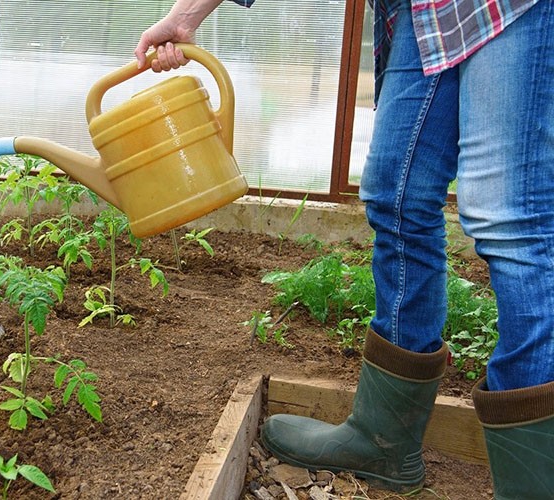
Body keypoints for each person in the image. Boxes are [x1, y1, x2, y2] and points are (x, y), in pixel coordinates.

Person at [135, 0, 554, 498]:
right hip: (423, 11)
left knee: (507, 219)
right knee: (397, 198)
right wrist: (186, 15)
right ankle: (385, 444)